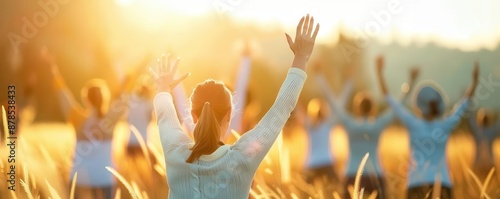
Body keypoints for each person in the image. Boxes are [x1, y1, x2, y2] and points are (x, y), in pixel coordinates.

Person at [150, 15, 319, 198]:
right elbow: (281, 109)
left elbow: (165, 114)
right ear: (230, 115)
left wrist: (163, 88)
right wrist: (301, 58)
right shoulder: (241, 159)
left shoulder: (175, 154)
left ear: (193, 115)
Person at [44, 48, 143, 199]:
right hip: (105, 177)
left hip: (79, 177)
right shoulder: (111, 118)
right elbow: (125, 94)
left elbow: (62, 92)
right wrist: (136, 70)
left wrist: (52, 68)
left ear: (86, 99)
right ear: (105, 98)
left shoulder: (76, 117)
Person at [317, 56, 418, 199]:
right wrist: (411, 81)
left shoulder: (349, 123)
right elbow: (398, 106)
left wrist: (319, 76)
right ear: (373, 109)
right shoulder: (378, 124)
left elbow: (331, 100)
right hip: (375, 175)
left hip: (351, 174)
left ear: (357, 108)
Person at [377, 59, 479, 199]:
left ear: (419, 104)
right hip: (443, 183)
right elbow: (464, 103)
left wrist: (380, 73)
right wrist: (474, 81)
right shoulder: (445, 124)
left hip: (415, 184)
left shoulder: (413, 123)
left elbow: (390, 99)